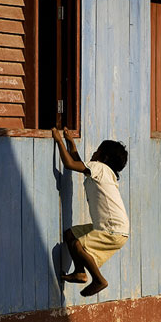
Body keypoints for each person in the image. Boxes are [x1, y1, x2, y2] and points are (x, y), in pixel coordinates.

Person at [52, 127, 129, 297]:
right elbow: (78, 162)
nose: (93, 153)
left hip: (111, 228)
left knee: (79, 245)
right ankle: (80, 272)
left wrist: (58, 141)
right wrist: (71, 143)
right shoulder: (103, 172)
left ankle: (99, 279)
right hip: (113, 227)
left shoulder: (99, 168)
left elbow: (70, 164)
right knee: (71, 235)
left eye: (97, 151)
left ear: (104, 157)